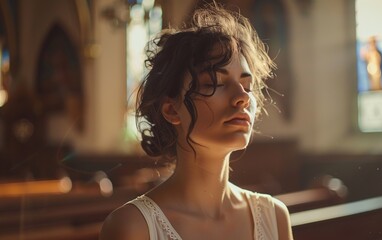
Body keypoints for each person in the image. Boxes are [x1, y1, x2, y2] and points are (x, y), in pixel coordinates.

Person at [100, 3, 293, 240]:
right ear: (171, 110)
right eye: (214, 84)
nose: (242, 98)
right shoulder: (133, 227)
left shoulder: (274, 217)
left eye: (247, 86)